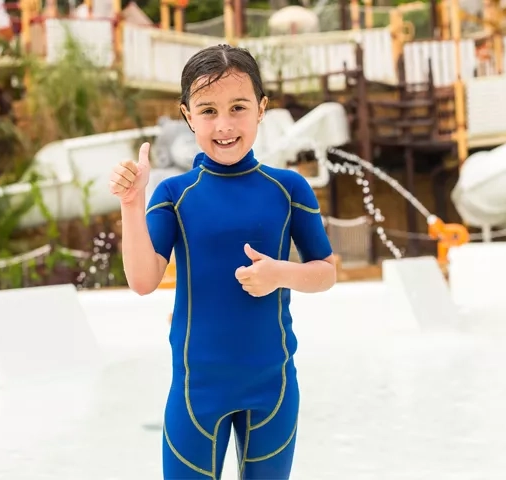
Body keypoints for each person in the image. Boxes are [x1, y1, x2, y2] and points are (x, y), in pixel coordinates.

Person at [109, 44, 336, 480]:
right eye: (208, 110)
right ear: (187, 115)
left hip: (273, 388)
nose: (225, 125)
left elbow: (325, 272)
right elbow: (142, 281)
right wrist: (131, 205)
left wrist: (280, 274)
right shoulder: (174, 195)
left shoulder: (288, 189)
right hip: (197, 393)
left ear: (262, 108)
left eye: (238, 107)